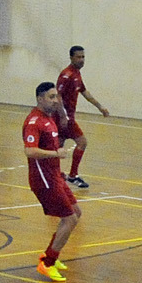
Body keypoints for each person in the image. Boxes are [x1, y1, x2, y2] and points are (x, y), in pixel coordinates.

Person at [22, 81, 80, 283]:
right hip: (43, 179)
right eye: (51, 97)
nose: (55, 100)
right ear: (40, 99)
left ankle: (50, 254)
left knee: (76, 212)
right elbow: (30, 151)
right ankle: (47, 263)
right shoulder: (34, 122)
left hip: (55, 175)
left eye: (56, 96)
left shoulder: (50, 118)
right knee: (69, 219)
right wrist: (56, 154)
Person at [54, 45, 111, 189]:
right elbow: (58, 96)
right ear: (71, 58)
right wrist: (63, 116)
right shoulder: (66, 75)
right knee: (81, 142)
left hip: (67, 118)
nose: (81, 60)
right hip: (64, 118)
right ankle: (70, 175)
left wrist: (100, 107)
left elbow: (85, 92)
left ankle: (55, 175)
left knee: (58, 146)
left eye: (83, 57)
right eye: (78, 57)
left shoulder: (77, 74)